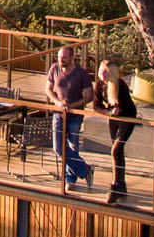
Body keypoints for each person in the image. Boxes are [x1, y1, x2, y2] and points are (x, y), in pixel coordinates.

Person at [45, 45, 96, 188]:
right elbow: (48, 89)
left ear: (72, 58)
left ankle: (70, 179)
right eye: (60, 58)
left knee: (73, 147)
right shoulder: (54, 69)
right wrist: (58, 102)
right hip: (58, 113)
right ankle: (85, 170)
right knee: (58, 148)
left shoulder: (81, 74)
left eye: (64, 58)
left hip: (75, 115)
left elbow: (89, 96)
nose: (61, 60)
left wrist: (72, 106)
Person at [94, 59, 136, 203]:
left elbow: (124, 107)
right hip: (113, 117)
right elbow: (96, 105)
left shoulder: (120, 85)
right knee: (118, 152)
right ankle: (122, 184)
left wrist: (114, 112)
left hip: (127, 117)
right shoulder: (99, 85)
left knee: (115, 150)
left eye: (105, 72)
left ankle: (115, 185)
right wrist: (107, 112)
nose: (102, 74)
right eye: (101, 71)